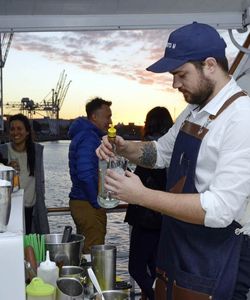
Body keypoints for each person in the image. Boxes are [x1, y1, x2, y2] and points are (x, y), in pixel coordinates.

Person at [96, 22, 250, 300]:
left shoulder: (241, 118)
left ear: (210, 65)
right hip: (180, 243)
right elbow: (160, 153)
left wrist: (142, 195)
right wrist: (123, 148)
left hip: (218, 253)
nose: (174, 83)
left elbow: (219, 210)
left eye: (181, 74)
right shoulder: (194, 110)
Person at [124, 106, 173, 300]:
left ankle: (154, 295)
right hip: (163, 217)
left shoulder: (150, 149)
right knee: (155, 267)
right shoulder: (170, 148)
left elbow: (144, 181)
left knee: (135, 268)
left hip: (145, 218)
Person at [68, 97, 112, 254]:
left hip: (82, 201)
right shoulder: (89, 138)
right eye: (107, 116)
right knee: (93, 253)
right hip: (87, 203)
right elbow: (86, 174)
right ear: (94, 116)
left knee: (86, 250)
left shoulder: (85, 135)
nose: (110, 121)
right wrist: (96, 202)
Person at [0, 113, 49, 234]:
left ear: (27, 132)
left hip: (30, 210)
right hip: (9, 211)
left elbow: (39, 184)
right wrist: (6, 169)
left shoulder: (36, 151)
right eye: (12, 129)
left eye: (19, 128)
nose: (15, 132)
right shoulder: (2, 151)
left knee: (31, 247)